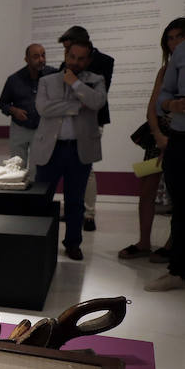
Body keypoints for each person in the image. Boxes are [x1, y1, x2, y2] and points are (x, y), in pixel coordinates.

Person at [119, 18, 185, 262]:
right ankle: (144, 242)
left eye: (179, 36)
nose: (174, 43)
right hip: (160, 137)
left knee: (179, 193)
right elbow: (152, 108)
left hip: (183, 138)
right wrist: (159, 136)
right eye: (170, 38)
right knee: (147, 190)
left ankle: (173, 244)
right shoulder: (165, 70)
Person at [31, 39, 107, 261]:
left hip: (79, 150)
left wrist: (75, 84)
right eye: (72, 57)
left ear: (88, 60)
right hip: (50, 149)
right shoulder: (47, 80)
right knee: (42, 199)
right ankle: (38, 240)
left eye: (81, 58)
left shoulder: (96, 80)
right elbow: (44, 108)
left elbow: (96, 102)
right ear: (66, 55)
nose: (75, 62)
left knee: (75, 201)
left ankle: (73, 243)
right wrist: (77, 105)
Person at [146, 21, 185, 292]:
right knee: (183, 208)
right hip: (183, 138)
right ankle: (178, 271)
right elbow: (162, 98)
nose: (175, 42)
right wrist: (173, 104)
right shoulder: (182, 54)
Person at [58, 26, 115, 231]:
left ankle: (89, 214)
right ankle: (76, 210)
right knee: (70, 166)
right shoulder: (65, 64)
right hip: (69, 121)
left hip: (92, 120)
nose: (69, 57)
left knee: (87, 167)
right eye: (66, 52)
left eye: (69, 49)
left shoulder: (105, 61)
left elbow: (97, 97)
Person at [0, 43, 58, 171]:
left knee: (39, 169)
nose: (41, 59)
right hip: (19, 128)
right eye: (36, 56)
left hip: (42, 129)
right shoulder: (14, 79)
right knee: (16, 168)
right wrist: (13, 110)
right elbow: (2, 103)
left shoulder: (53, 75)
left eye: (43, 55)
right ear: (27, 59)